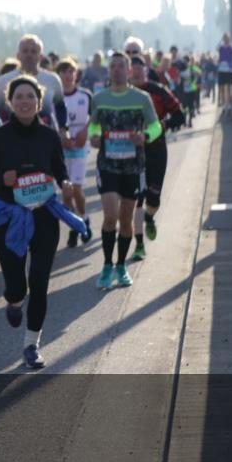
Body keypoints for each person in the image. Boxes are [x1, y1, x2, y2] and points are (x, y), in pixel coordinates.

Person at [0, 77, 85, 369]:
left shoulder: (49, 135)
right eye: (19, 97)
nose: (25, 101)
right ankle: (14, 301)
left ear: (39, 102)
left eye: (30, 96)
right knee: (17, 286)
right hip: (10, 215)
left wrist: (64, 183)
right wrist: (3, 179)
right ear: (11, 102)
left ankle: (31, 344)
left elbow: (59, 169)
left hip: (43, 214)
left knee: (39, 282)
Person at [88, 52, 162, 290]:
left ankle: (121, 265)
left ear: (129, 71)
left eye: (122, 66)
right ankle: (107, 265)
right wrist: (94, 138)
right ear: (109, 71)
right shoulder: (99, 98)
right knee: (110, 217)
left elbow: (156, 126)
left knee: (126, 219)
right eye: (113, 66)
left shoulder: (142, 98)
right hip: (108, 164)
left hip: (133, 165)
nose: (117, 70)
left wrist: (145, 137)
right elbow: (93, 127)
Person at [128, 55, 184, 261]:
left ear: (146, 70)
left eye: (139, 70)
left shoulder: (158, 91)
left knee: (153, 198)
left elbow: (180, 115)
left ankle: (150, 217)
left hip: (156, 150)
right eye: (131, 70)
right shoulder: (122, 93)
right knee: (136, 199)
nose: (135, 73)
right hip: (131, 153)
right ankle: (139, 244)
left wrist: (163, 127)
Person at [55, 59, 93, 247]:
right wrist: (62, 138)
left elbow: (95, 117)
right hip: (62, 148)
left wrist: (85, 132)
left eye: (71, 72)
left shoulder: (85, 96)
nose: (68, 76)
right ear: (58, 75)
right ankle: (73, 226)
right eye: (64, 72)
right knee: (66, 192)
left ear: (76, 74)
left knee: (76, 190)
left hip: (80, 146)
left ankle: (84, 219)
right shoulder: (54, 99)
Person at [217, 33, 232, 118]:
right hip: (221, 69)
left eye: (227, 38)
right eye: (224, 38)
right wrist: (221, 41)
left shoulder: (231, 46)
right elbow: (217, 47)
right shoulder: (221, 47)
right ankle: (224, 103)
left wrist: (230, 42)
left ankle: (228, 104)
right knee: (221, 88)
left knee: (228, 87)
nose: (225, 40)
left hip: (229, 69)